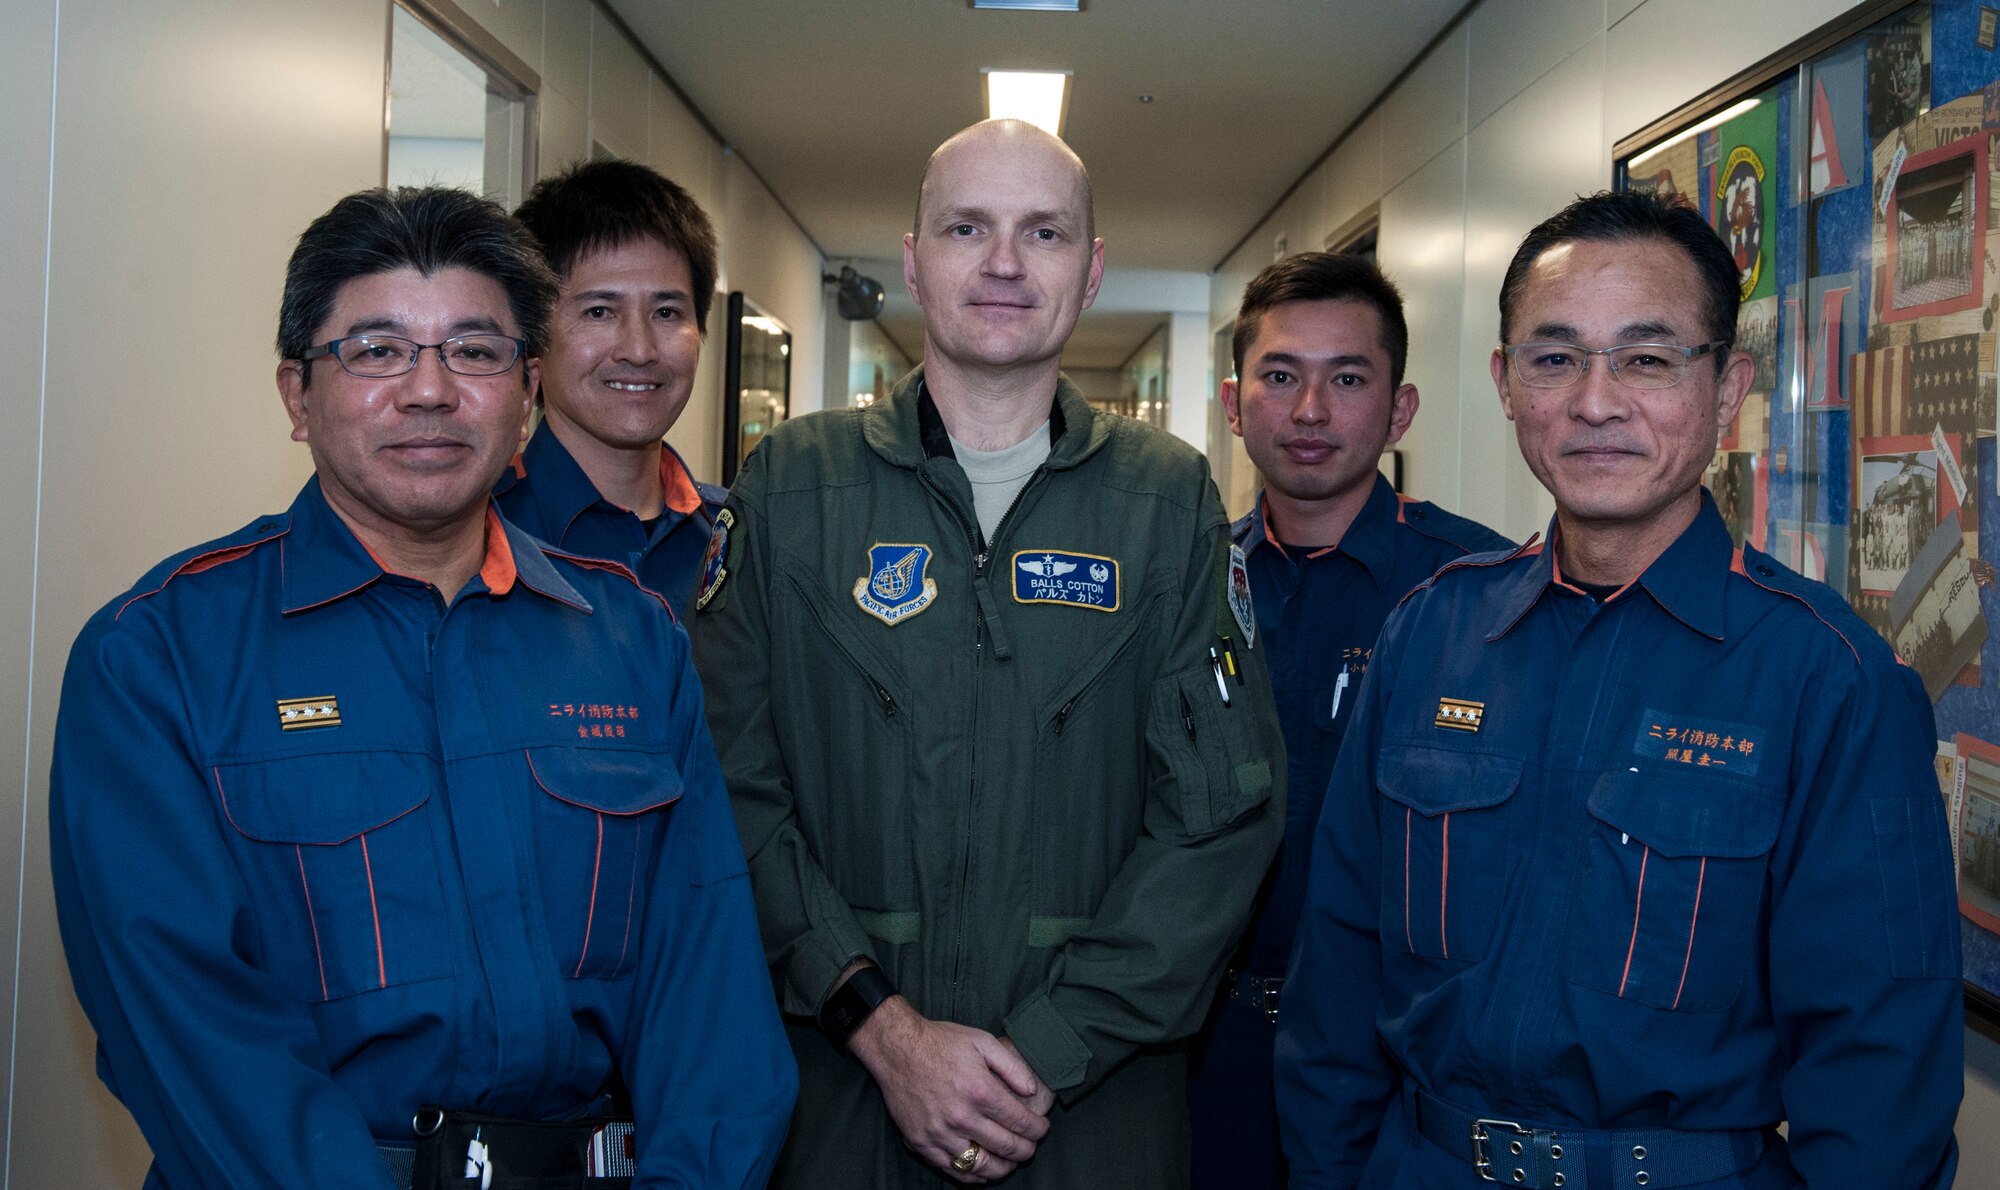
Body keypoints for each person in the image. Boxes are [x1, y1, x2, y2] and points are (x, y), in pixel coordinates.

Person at [49, 186, 794, 1190]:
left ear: (528, 390)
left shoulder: (630, 642)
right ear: (295, 394)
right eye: (376, 348)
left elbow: (710, 996)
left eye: (476, 350)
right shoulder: (160, 655)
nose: (431, 389)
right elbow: (189, 1025)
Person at [1275, 189, 1962, 1189]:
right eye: (1554, 358)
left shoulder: (1824, 677)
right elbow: (1334, 980)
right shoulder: (1431, 632)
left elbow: (1877, 1074)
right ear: (1506, 383)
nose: (1594, 401)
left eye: (1645, 358)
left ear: (1726, 388)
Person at [692, 118, 1285, 1188]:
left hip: (1092, 1117)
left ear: (1090, 269)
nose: (1004, 262)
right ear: (912, 261)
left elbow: (1220, 813)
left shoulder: (1165, 501)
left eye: (1043, 233)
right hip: (835, 1097)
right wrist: (880, 1025)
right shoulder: (791, 487)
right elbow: (728, 784)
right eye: (967, 227)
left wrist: (1044, 1052)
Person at [1188, 251, 1509, 1189]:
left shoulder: (1478, 595)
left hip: (1398, 1064)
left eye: (1349, 379)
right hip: (1205, 1047)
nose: (1311, 411)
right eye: (1280, 376)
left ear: (1399, 409)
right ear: (1234, 399)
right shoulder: (1191, 585)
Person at [494, 158, 725, 615]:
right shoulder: (478, 533)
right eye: (599, 311)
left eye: (667, 313)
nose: (639, 350)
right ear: (534, 337)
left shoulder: (739, 536)